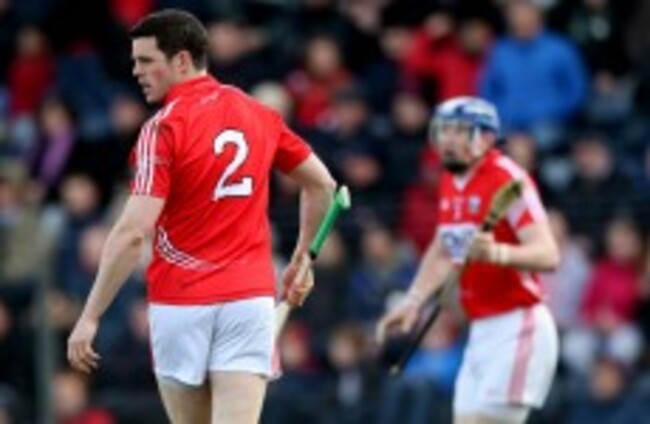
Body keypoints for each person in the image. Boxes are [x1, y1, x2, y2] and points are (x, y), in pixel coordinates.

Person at [67, 9, 336, 424]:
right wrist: (303, 258)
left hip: (181, 303)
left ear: (181, 61)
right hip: (248, 300)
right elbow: (323, 185)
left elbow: (133, 233)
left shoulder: (162, 128)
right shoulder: (257, 113)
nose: (136, 71)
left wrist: (90, 316)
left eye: (146, 61)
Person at [376, 96, 560, 424]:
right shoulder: (451, 180)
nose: (448, 140)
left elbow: (548, 254)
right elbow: (443, 248)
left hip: (517, 324)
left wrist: (496, 253)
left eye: (459, 130)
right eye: (443, 130)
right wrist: (414, 301)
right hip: (480, 328)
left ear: (486, 137)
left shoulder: (507, 179)